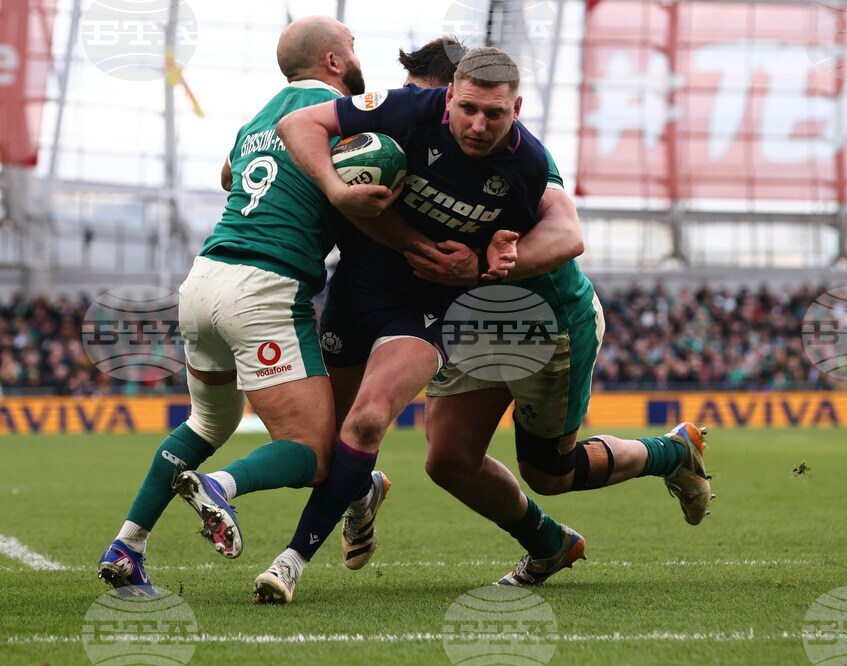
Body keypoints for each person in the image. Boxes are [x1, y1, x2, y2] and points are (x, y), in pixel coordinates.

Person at [252, 43, 711, 602]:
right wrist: (336, 190)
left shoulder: (526, 159)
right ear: (449, 98)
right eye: (463, 108)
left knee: (550, 473)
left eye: (492, 113)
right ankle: (550, 544)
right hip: (471, 318)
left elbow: (569, 234)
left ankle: (672, 452)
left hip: (544, 320)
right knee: (447, 460)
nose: (476, 123)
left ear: (514, 109)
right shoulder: (405, 122)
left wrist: (492, 264)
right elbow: (302, 128)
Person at [96, 16, 397, 597]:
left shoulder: (259, 117)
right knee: (312, 450)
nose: (358, 56)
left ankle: (127, 545)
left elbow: (231, 173)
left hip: (204, 278)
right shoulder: (348, 114)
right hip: (264, 288)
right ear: (333, 62)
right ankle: (221, 489)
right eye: (353, 47)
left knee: (209, 421)